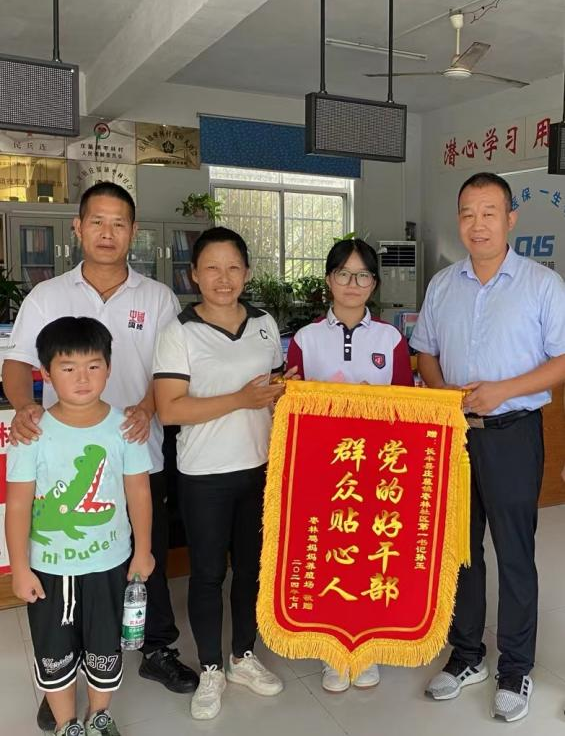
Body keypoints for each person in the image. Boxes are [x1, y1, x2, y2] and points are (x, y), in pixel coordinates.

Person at [2, 182, 197, 731]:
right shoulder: (47, 296)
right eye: (97, 221)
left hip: (136, 447)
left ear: (133, 232)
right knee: (67, 567)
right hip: (61, 454)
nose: (108, 233)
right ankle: (61, 680)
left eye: (119, 223)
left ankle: (156, 649)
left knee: (141, 555)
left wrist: (145, 407)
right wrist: (25, 408)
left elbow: (169, 371)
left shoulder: (157, 297)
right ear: (78, 228)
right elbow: (16, 365)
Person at [410, 172, 565, 723]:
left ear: (510, 219)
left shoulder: (542, 284)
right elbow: (424, 351)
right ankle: (467, 654)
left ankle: (515, 667)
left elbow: (561, 360)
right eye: (468, 213)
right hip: (454, 436)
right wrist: (441, 389)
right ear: (459, 220)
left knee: (515, 553)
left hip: (513, 434)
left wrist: (503, 389)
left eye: (489, 212)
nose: (478, 224)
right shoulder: (442, 285)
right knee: (460, 550)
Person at [153, 226, 290, 720]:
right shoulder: (179, 332)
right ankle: (210, 667)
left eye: (233, 267)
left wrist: (282, 392)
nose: (224, 278)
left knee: (251, 570)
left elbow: (274, 390)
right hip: (204, 474)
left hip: (259, 469)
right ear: (194, 275)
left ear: (247, 273)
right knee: (208, 574)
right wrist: (241, 399)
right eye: (212, 268)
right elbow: (169, 409)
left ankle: (242, 657)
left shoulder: (264, 324)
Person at [5, 317, 155, 736]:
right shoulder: (31, 432)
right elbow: (17, 505)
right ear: (46, 373)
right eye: (68, 368)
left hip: (110, 563)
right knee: (55, 651)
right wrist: (19, 568)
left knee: (105, 646)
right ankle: (66, 723)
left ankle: (99, 715)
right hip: (49, 568)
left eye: (93, 366)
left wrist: (143, 549)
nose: (82, 378)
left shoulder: (126, 427)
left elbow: (139, 491)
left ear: (109, 368)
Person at [286, 237, 413, 693]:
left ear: (374, 284)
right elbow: (292, 404)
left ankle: (368, 647)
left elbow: (406, 405)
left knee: (371, 556)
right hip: (325, 470)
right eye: (344, 274)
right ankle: (332, 652)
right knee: (328, 557)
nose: (353, 284)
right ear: (329, 280)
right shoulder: (305, 339)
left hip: (376, 470)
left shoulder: (391, 339)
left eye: (362, 276)